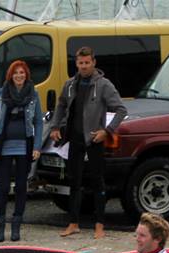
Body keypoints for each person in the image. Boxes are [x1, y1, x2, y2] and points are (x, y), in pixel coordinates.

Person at [49, 46, 127, 240]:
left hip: (94, 139)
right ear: (76, 63)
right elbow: (61, 105)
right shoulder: (69, 84)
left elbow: (121, 109)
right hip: (74, 139)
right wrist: (55, 127)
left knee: (97, 182)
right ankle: (73, 223)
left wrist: (107, 131)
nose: (83, 66)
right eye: (80, 63)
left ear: (94, 62)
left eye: (87, 63)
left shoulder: (103, 85)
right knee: (74, 182)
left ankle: (99, 224)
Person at [0, 60, 45, 243]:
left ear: (26, 75)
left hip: (24, 145)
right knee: (3, 188)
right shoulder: (3, 92)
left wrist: (37, 147)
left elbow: (38, 122)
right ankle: (0, 226)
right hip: (4, 145)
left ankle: (16, 225)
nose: (19, 76)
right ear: (11, 75)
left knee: (21, 187)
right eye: (16, 73)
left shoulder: (33, 93)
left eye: (22, 73)